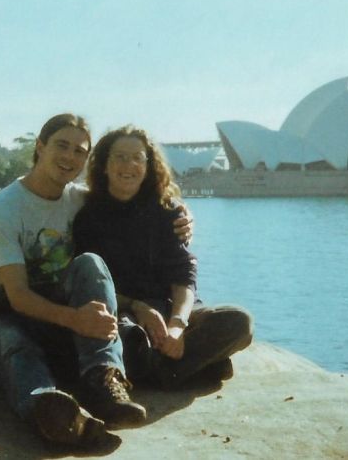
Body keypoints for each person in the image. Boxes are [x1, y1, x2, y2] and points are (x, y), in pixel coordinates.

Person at [0, 114, 191, 449]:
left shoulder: (80, 199)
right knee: (13, 344)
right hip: (11, 313)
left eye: (79, 151)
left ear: (86, 159)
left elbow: (139, 199)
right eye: (61, 146)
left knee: (91, 264)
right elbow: (19, 297)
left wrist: (182, 215)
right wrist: (76, 319)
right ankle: (49, 410)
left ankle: (104, 381)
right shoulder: (4, 211)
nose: (70, 157)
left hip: (67, 318)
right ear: (40, 147)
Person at [73, 125, 253, 390]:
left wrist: (177, 326)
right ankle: (189, 367)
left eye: (137, 158)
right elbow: (92, 286)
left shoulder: (167, 211)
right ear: (104, 165)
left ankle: (159, 369)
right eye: (120, 157)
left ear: (148, 166)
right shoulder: (88, 218)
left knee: (239, 322)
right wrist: (138, 307)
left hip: (171, 307)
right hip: (126, 312)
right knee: (126, 337)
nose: (129, 165)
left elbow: (184, 274)